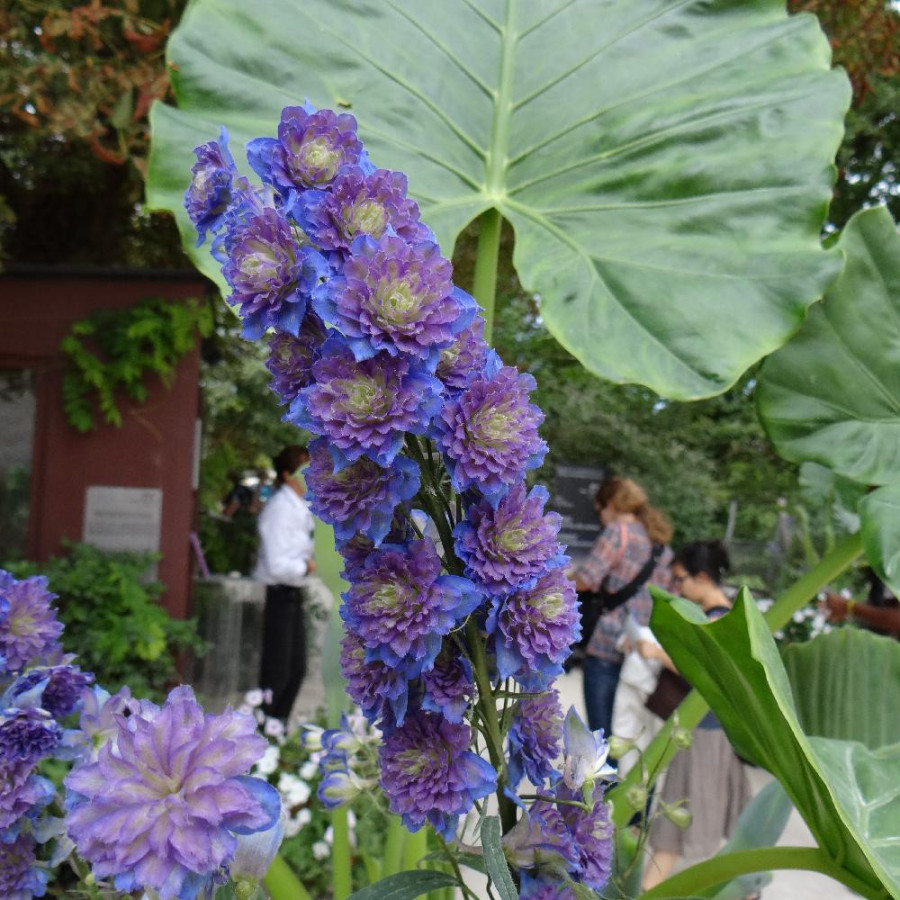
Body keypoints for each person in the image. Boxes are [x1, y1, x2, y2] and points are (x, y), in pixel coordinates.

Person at [640, 540, 752, 892]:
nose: (677, 587)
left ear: (702, 577)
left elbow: (703, 673)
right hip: (712, 729)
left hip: (705, 730)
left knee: (679, 817)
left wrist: (657, 654)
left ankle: (648, 890)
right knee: (700, 815)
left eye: (680, 579)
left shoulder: (718, 618)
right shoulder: (722, 614)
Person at [573, 477, 673, 737]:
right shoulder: (659, 541)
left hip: (607, 642)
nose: (601, 518)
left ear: (610, 505)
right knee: (627, 732)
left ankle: (606, 766)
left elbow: (586, 579)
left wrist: (558, 579)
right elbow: (669, 595)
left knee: (601, 733)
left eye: (600, 510)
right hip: (641, 647)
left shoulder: (618, 532)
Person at [253, 445, 315, 720]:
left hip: (292, 593)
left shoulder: (299, 506)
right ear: (288, 475)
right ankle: (264, 727)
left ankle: (277, 727)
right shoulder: (279, 508)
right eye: (305, 470)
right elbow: (276, 564)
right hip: (277, 593)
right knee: (277, 673)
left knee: (296, 671)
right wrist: (306, 566)